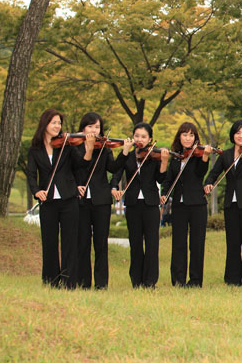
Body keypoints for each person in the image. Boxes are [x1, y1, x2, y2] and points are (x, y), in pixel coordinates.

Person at [26, 109, 84, 289]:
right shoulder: (35, 149)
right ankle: (51, 281)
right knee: (49, 242)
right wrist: (36, 191)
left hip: (69, 198)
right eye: (54, 123)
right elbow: (31, 174)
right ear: (45, 124)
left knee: (69, 242)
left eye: (59, 123)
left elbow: (80, 165)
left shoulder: (67, 145)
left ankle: (69, 282)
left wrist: (87, 147)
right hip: (48, 200)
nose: (58, 126)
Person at [204, 120, 242, 286]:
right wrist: (209, 183)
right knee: (233, 241)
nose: (241, 136)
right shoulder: (226, 155)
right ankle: (232, 278)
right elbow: (213, 173)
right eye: (238, 132)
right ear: (233, 135)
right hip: (231, 203)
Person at [110, 122, 169, 288]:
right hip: (132, 203)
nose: (140, 139)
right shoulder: (127, 155)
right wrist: (114, 188)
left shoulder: (154, 155)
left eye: (144, 137)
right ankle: (136, 280)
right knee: (135, 243)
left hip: (151, 204)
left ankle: (150, 281)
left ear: (150, 139)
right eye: (137, 136)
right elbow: (116, 173)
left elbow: (160, 179)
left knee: (152, 244)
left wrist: (164, 162)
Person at [161, 122, 214, 287]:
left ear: (195, 138)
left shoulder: (198, 156)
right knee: (178, 243)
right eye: (185, 134)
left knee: (197, 244)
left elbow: (200, 173)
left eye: (191, 135)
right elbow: (168, 180)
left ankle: (196, 280)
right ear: (179, 137)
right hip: (179, 205)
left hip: (197, 204)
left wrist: (205, 157)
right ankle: (178, 280)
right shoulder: (175, 158)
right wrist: (164, 194)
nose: (188, 138)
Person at [74, 112, 121, 289]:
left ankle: (101, 284)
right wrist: (88, 148)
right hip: (81, 200)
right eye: (90, 126)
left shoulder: (105, 148)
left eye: (97, 127)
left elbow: (113, 168)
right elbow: (77, 168)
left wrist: (124, 152)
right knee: (82, 243)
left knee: (101, 243)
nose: (94, 130)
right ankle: (83, 282)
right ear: (83, 128)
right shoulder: (75, 148)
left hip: (101, 200)